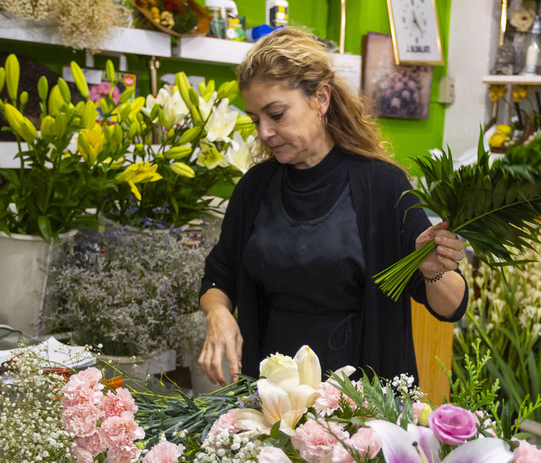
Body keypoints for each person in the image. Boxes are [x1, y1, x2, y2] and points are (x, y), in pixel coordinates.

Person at [198, 27, 468, 385]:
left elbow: (450, 305)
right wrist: (218, 314)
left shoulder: (382, 186)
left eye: (276, 114)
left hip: (359, 401)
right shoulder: (255, 188)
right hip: (273, 398)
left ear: (321, 98)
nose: (263, 132)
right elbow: (220, 274)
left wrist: (433, 269)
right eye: (255, 119)